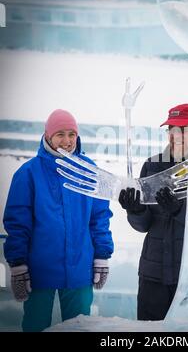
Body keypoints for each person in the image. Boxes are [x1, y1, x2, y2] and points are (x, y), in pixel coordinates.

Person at [3, 109, 114, 332]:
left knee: (80, 327)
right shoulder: (28, 173)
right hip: (39, 270)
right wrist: (18, 265)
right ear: (48, 136)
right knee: (35, 326)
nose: (67, 140)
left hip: (80, 269)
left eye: (72, 134)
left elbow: (100, 217)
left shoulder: (90, 170)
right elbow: (17, 223)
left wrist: (102, 256)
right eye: (60, 134)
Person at [119, 103, 188, 321]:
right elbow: (143, 226)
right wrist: (136, 210)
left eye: (182, 129)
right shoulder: (152, 166)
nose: (175, 135)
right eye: (171, 129)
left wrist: (180, 211)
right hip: (153, 273)